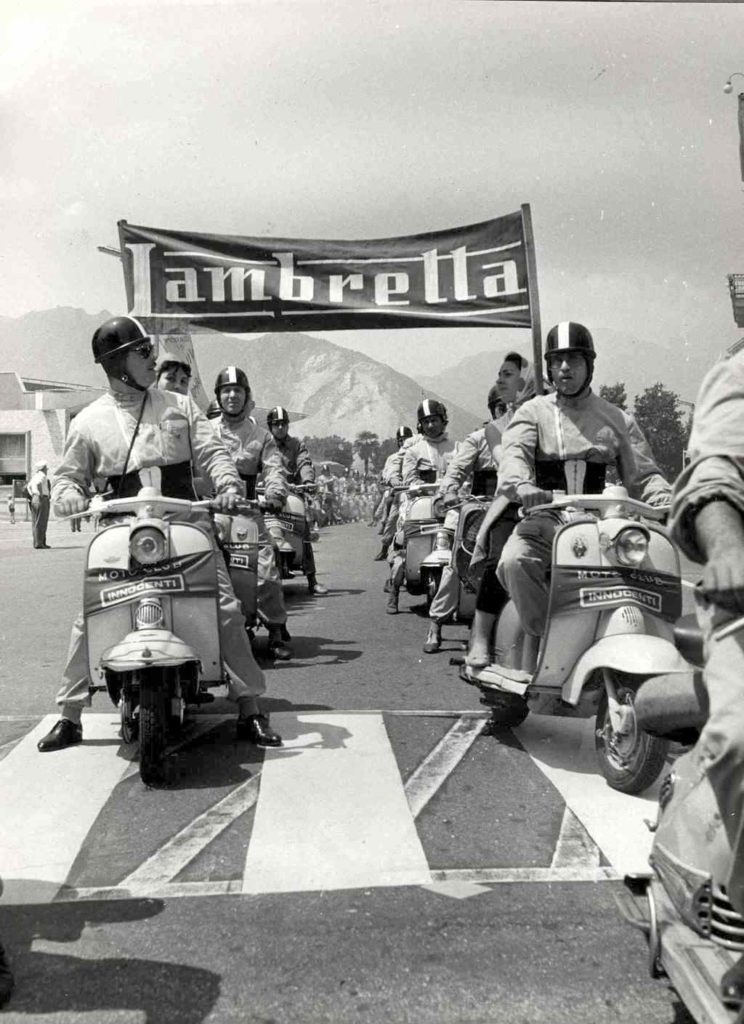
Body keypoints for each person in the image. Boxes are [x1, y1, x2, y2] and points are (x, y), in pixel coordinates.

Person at [36, 316, 281, 752]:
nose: (153, 359)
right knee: (88, 616)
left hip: (186, 525)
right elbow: (68, 477)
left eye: (150, 351)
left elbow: (213, 453)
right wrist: (69, 495)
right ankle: (70, 715)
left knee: (223, 606)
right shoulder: (88, 422)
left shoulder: (179, 405)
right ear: (117, 363)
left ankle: (249, 708)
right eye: (142, 352)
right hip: (120, 533)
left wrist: (226, 485)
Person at [495, 321, 671, 640]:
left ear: (589, 365)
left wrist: (665, 501)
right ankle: (547, 637)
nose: (565, 368)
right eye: (557, 360)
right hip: (545, 519)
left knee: (653, 568)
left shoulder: (616, 418)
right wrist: (523, 486)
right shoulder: (532, 413)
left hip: (599, 523)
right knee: (514, 561)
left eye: (574, 359)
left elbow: (644, 476)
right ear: (548, 367)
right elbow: (514, 455)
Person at [668, 348, 744, 1005]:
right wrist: (726, 546)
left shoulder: (610, 419)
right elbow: (715, 468)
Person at [424, 361, 533, 655]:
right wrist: (448, 492)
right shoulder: (481, 437)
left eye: (511, 406)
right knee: (455, 561)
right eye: (499, 407)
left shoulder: (534, 436)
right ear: (492, 410)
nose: (506, 412)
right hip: (477, 510)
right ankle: (436, 623)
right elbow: (456, 470)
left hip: (522, 509)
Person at [212, 367, 293, 660]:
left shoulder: (261, 436)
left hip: (248, 512)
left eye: (238, 390)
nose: (232, 395)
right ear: (218, 396)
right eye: (226, 390)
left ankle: (274, 629)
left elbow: (274, 469)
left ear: (247, 396)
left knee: (267, 567)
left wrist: (275, 494)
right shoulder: (205, 432)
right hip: (210, 511)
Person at [387, 400, 456, 615]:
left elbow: (465, 475)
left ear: (443, 421)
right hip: (420, 503)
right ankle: (395, 589)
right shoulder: (413, 451)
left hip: (449, 504)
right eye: (426, 422)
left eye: (434, 420)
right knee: (401, 543)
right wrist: (416, 485)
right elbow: (409, 478)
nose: (431, 425)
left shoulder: (457, 448)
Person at [266, 406, 328, 595]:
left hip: (292, 493)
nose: (280, 427)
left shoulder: (296, 445)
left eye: (283, 423)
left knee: (304, 532)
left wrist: (308, 481)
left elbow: (304, 463)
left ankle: (312, 580)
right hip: (266, 493)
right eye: (276, 424)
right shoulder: (264, 444)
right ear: (270, 426)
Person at [374, 426, 413, 561]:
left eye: (406, 439)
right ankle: (384, 548)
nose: (404, 443)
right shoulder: (393, 458)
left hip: (416, 492)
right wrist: (394, 482)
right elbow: (388, 474)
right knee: (392, 520)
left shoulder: (418, 452)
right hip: (399, 493)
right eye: (401, 440)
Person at [27, 460, 51, 548]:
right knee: (42, 521)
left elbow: (29, 486)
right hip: (42, 499)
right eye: (46, 469)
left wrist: (33, 495)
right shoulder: (43, 476)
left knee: (35, 522)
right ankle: (40, 543)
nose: (47, 470)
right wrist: (40, 494)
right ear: (44, 468)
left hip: (34, 499)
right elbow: (38, 484)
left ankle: (38, 542)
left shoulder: (35, 476)